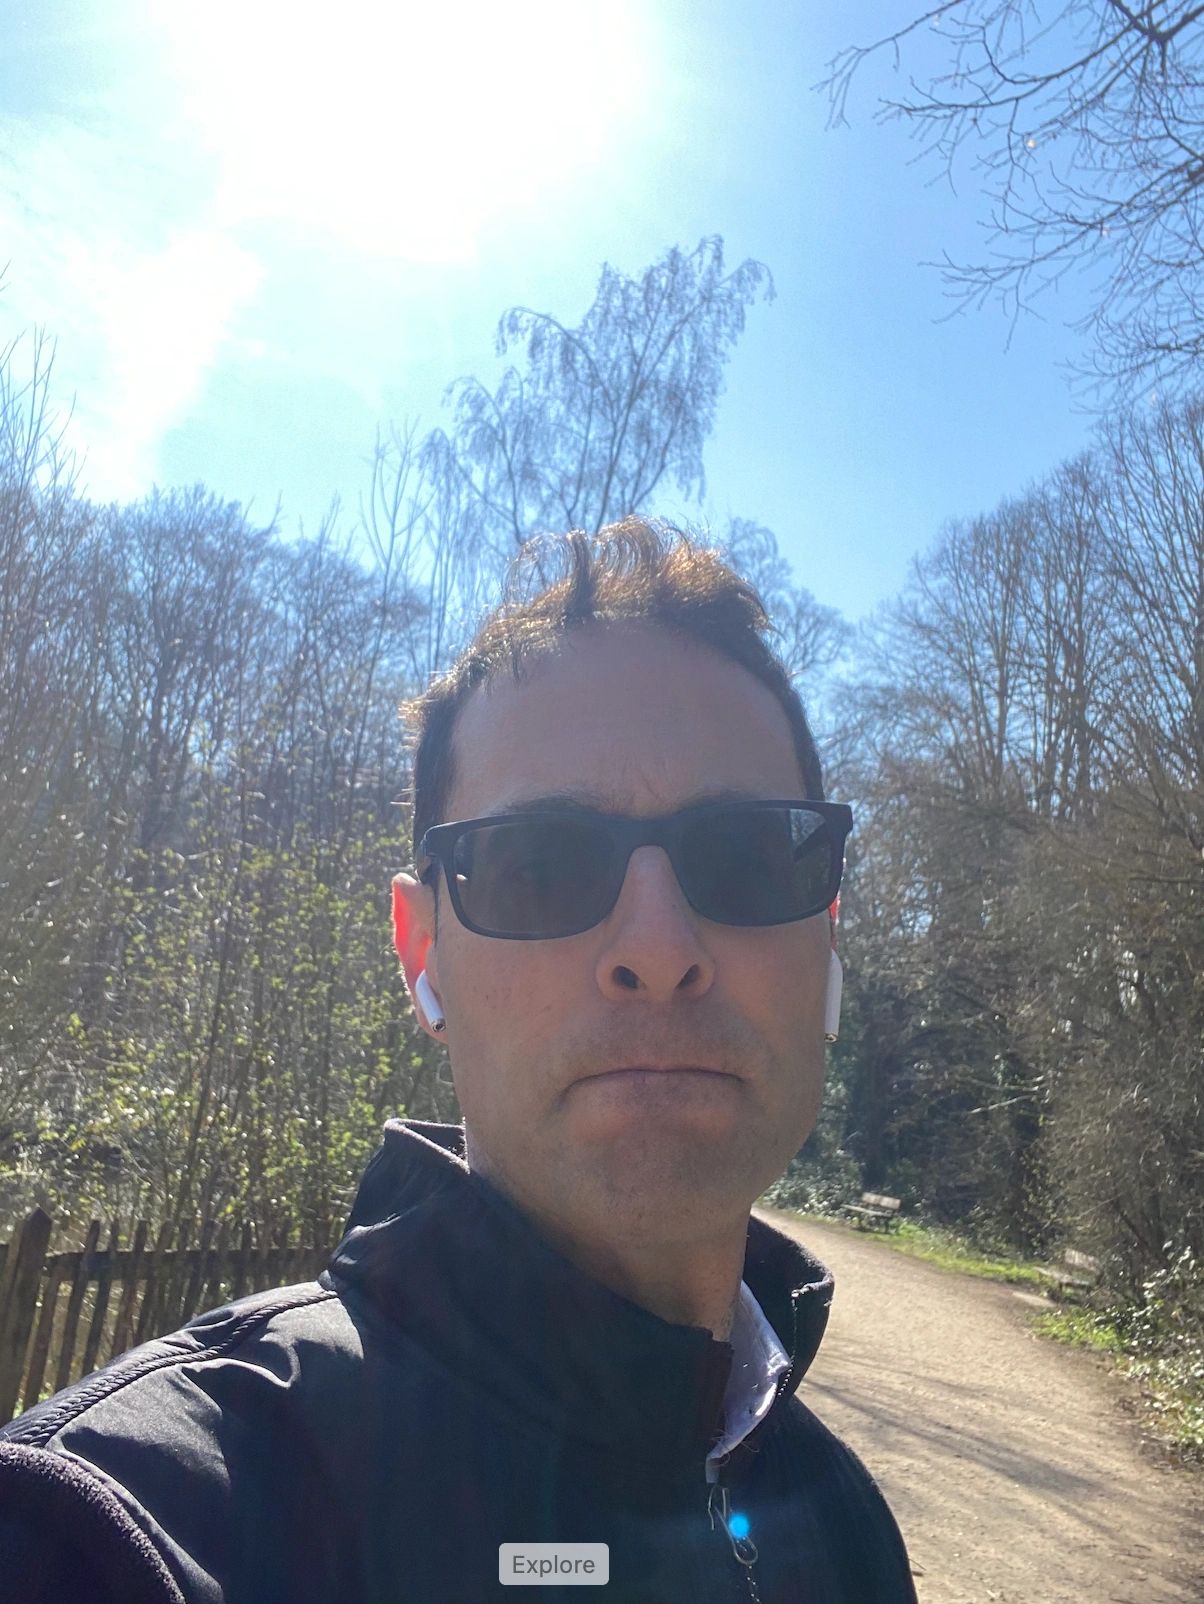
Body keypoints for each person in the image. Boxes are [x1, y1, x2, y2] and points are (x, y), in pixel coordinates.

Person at [0, 519, 917, 1602]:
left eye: (751, 855)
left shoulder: (849, 1526)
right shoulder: (119, 1519)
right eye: (538, 864)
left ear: (827, 933)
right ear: (422, 951)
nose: (659, 948)